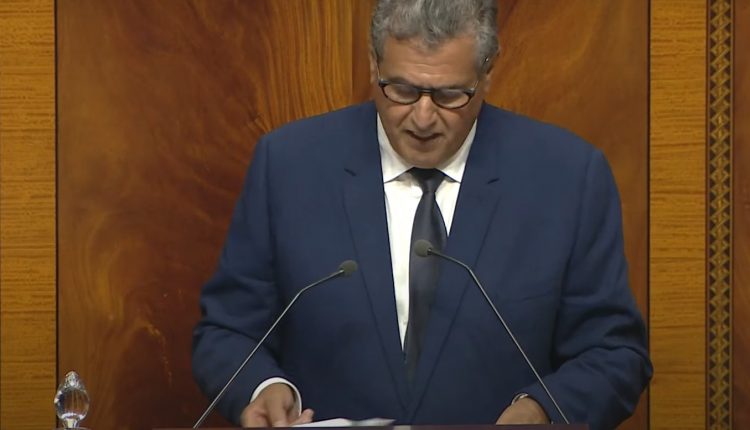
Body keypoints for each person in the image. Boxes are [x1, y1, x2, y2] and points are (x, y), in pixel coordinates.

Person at [192, 1, 653, 429]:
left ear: (487, 73)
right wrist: (263, 387)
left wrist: (542, 410)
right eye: (403, 90)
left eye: (450, 95)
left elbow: (615, 353)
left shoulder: (567, 177)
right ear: (373, 65)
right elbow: (228, 330)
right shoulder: (289, 165)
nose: (423, 118)